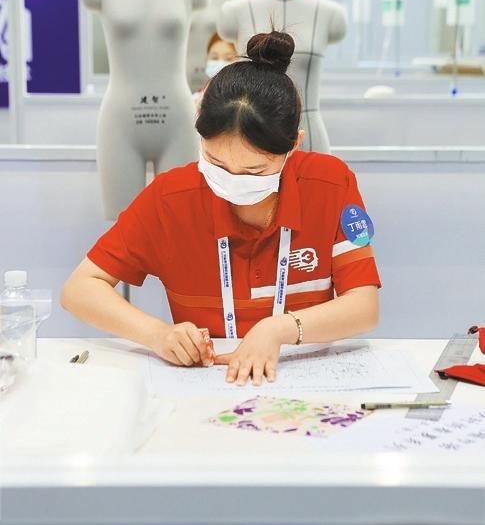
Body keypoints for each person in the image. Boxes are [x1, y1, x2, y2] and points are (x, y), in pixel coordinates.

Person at [61, 30, 381, 386]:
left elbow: (364, 306)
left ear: (294, 146)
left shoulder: (331, 183)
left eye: (254, 171)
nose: (233, 181)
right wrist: (158, 334)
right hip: (207, 381)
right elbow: (79, 289)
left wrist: (278, 330)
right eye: (216, 162)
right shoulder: (170, 198)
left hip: (302, 377)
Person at [193, 33, 238, 110]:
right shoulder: (194, 100)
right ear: (206, 59)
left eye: (228, 58)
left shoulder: (245, 102)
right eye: (214, 58)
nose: (220, 64)